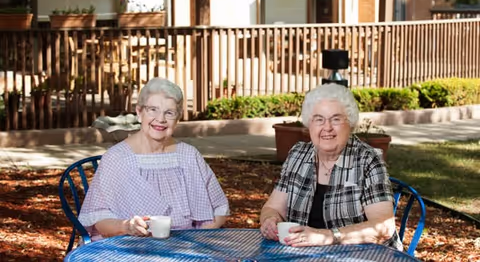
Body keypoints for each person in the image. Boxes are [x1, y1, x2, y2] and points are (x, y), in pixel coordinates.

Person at [79, 77, 229, 241]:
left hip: (185, 248)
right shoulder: (117, 158)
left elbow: (219, 210)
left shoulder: (189, 156)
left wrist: (195, 243)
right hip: (129, 247)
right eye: (153, 110)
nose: (161, 119)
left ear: (177, 119)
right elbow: (99, 219)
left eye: (169, 113)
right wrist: (127, 226)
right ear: (139, 112)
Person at [259, 83, 402, 250]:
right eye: (319, 119)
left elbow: (382, 227)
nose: (327, 128)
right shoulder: (298, 154)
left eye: (336, 119)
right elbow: (272, 208)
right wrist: (270, 220)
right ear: (309, 124)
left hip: (364, 256)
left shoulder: (367, 160)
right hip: (308, 255)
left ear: (350, 122)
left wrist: (327, 236)